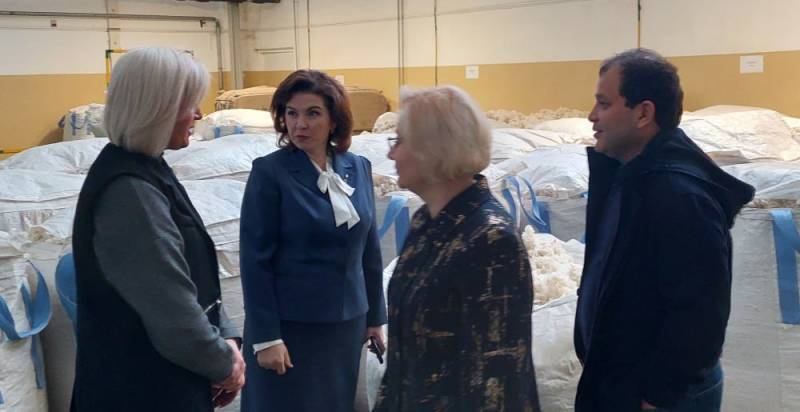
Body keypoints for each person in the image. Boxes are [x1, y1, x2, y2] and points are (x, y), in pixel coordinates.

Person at [574, 48, 755, 412]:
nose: (592, 116)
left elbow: (700, 312)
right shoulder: (629, 176)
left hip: (659, 396)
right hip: (625, 379)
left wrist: (658, 394)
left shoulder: (678, 195)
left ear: (643, 113)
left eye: (604, 104)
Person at [71, 47, 245, 411]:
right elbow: (171, 311)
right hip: (141, 391)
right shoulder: (129, 192)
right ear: (157, 108)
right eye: (190, 104)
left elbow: (192, 277)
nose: (199, 114)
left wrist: (227, 338)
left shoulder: (151, 169)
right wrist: (224, 364)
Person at [374, 86, 540, 411]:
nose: (391, 154)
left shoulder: (491, 240)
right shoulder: (425, 222)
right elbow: (402, 358)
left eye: (400, 141)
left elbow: (497, 383)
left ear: (432, 149)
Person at [239, 70, 385, 411]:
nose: (299, 124)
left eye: (312, 113)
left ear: (334, 120)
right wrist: (266, 336)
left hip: (346, 326)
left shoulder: (358, 167)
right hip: (290, 328)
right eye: (291, 113)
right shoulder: (270, 172)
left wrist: (375, 317)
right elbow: (255, 260)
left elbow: (369, 249)